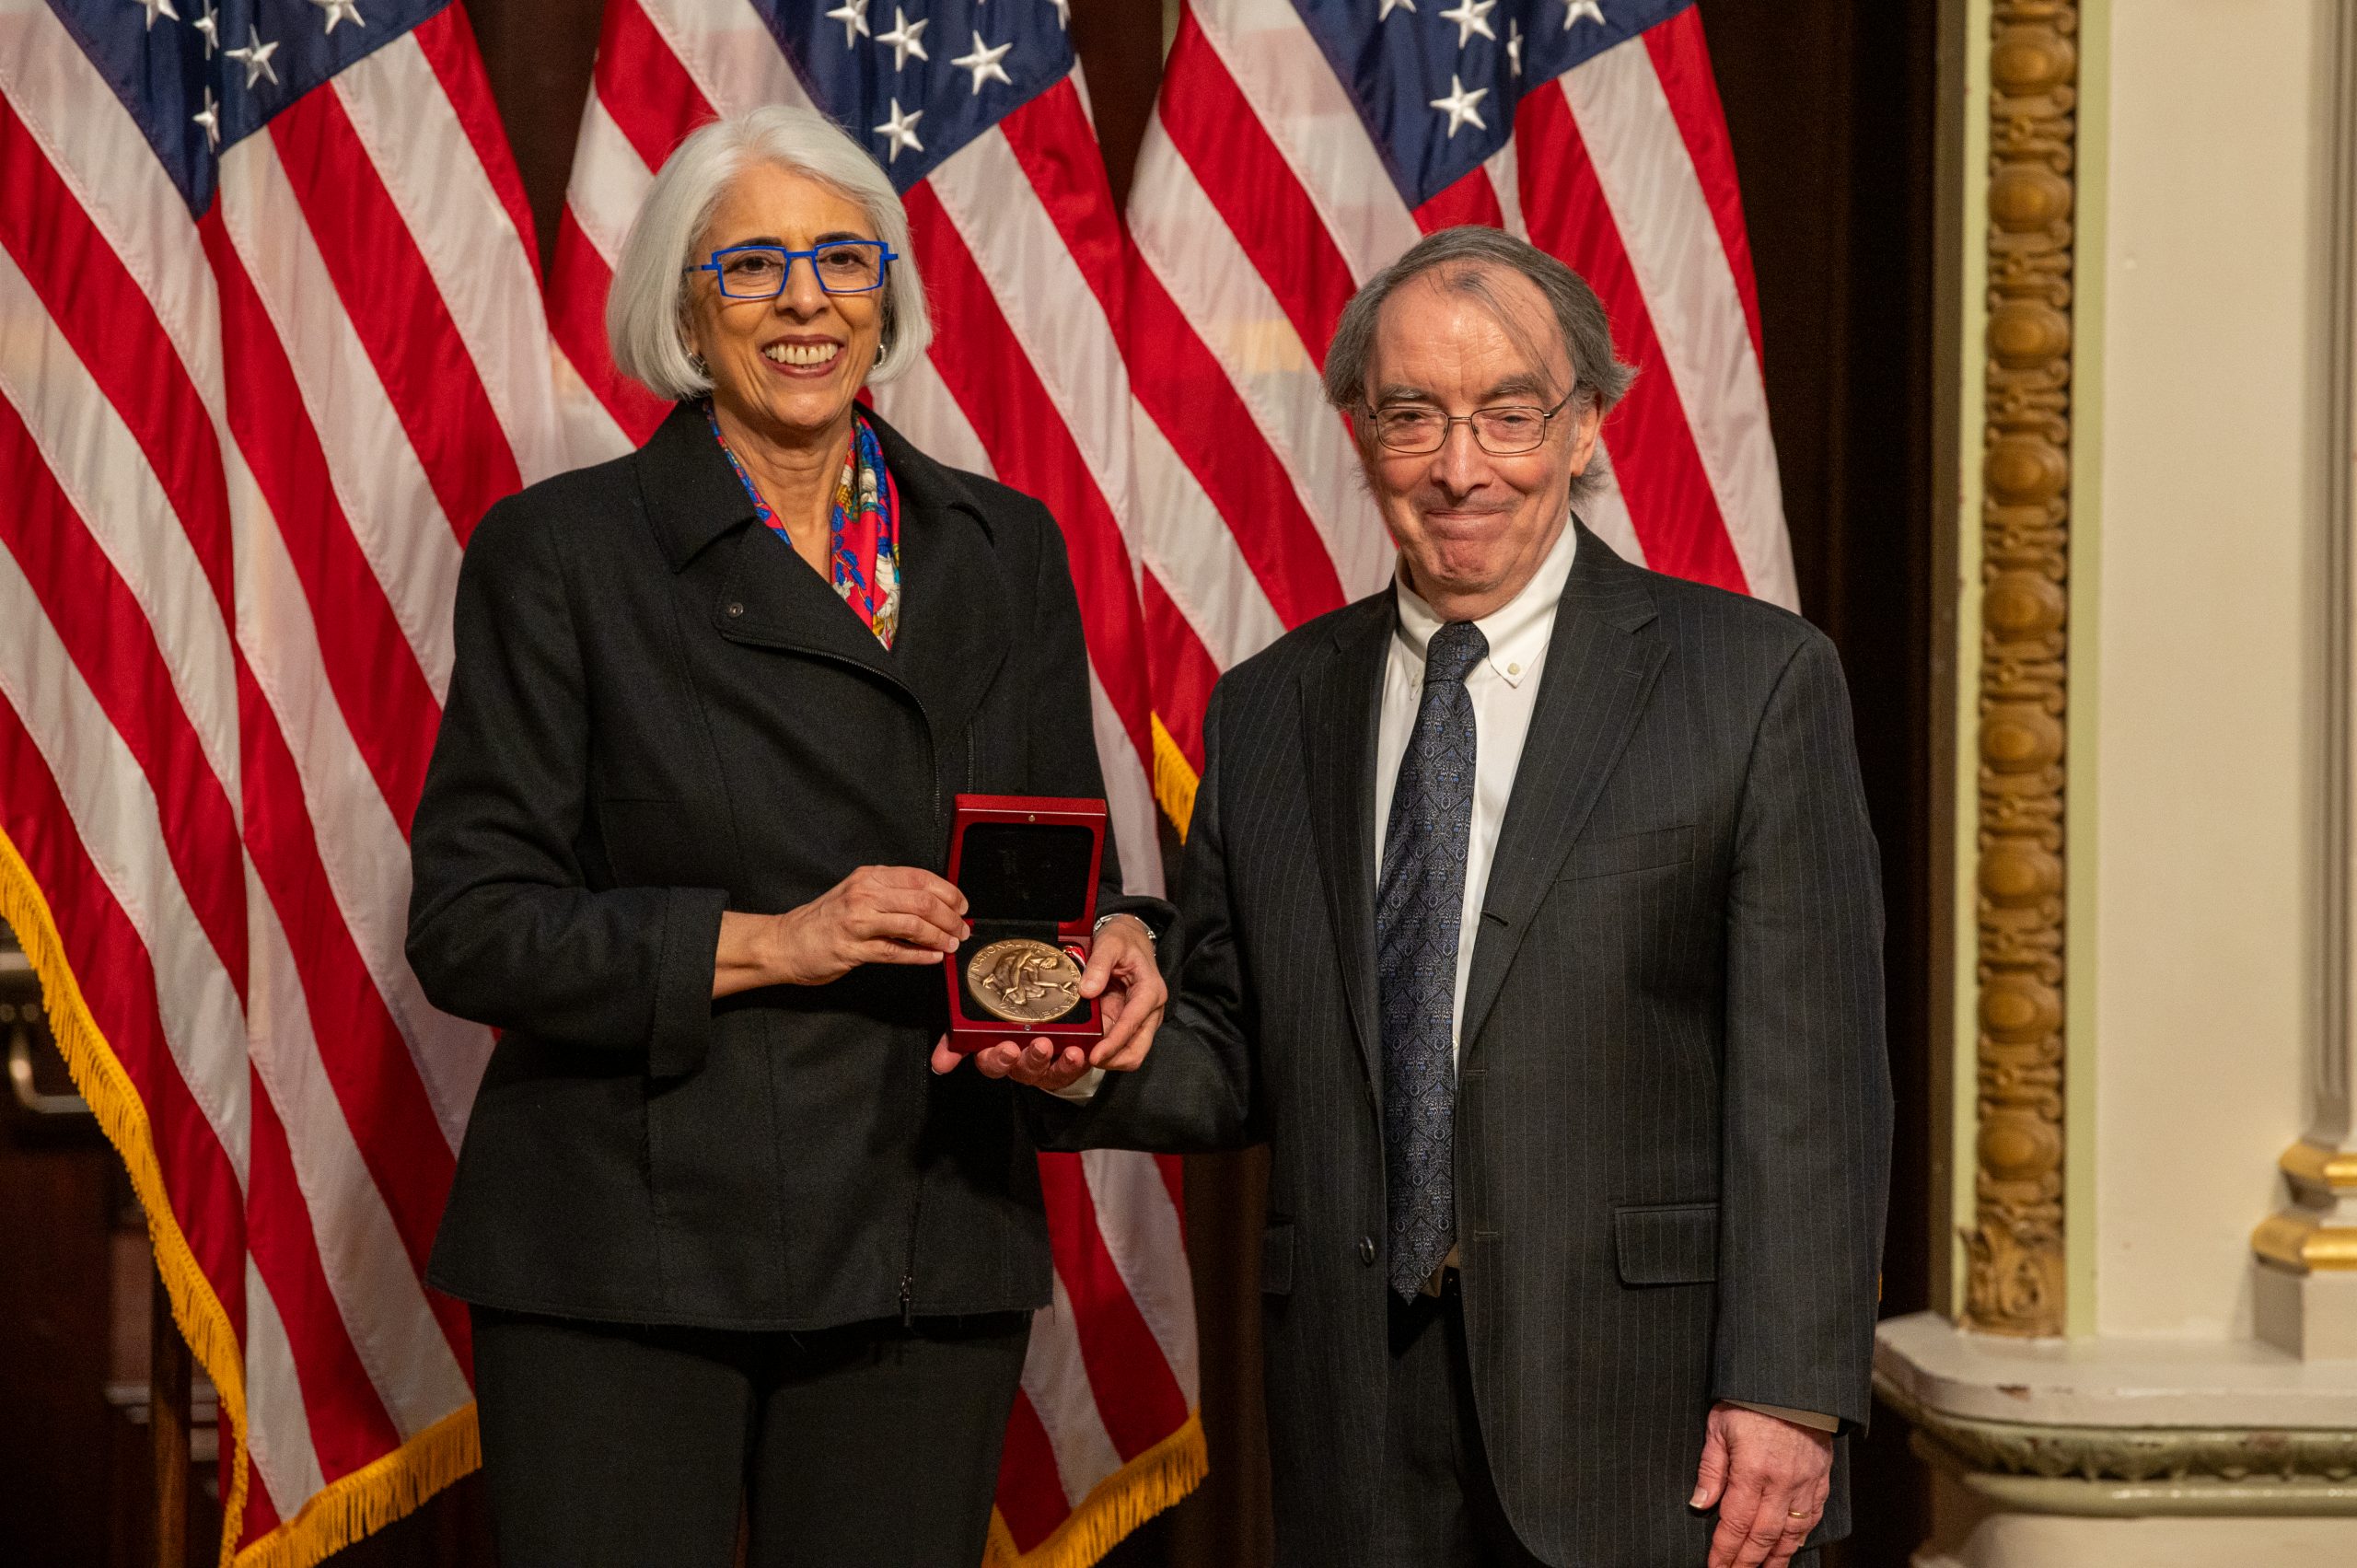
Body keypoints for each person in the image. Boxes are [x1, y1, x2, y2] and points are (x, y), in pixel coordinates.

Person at [954, 226, 1892, 1567]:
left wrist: (1791, 1393)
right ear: (1359, 432)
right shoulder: (1272, 710)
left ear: (1584, 429)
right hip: (1359, 1425)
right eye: (1414, 419)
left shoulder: (1752, 685)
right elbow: (1233, 1053)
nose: (1463, 468)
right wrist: (1067, 1051)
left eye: (1509, 414)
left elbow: (1818, 1085)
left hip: (1655, 1422)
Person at [405, 106, 1167, 1568]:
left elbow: (1064, 870)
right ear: (685, 306)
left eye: (841, 258)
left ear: (890, 290)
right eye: (752, 266)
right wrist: (779, 940)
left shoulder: (1007, 547)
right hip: (626, 1245)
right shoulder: (562, 552)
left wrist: (1109, 955)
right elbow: (471, 921)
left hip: (922, 1226)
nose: (806, 298)